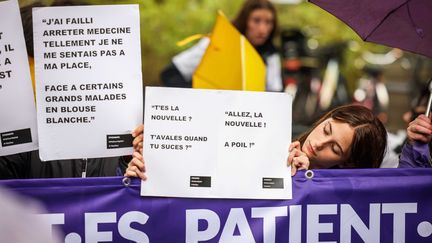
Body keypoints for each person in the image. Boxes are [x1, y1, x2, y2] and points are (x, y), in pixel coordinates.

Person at [125, 105, 388, 179]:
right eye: (326, 129)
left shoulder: (340, 202)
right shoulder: (270, 140)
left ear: (348, 163)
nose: (319, 143)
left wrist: (301, 180)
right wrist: (161, 148)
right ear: (325, 118)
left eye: (335, 148)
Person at [160, 0, 283, 92]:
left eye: (268, 22)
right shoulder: (217, 44)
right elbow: (170, 74)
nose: (263, 29)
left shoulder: (270, 54)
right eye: (256, 21)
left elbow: (275, 93)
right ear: (245, 21)